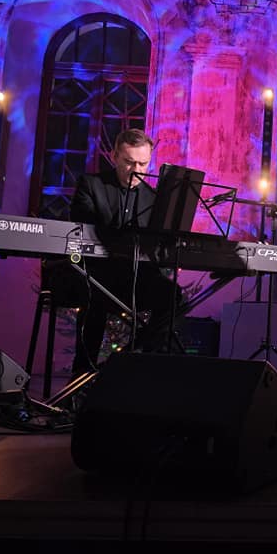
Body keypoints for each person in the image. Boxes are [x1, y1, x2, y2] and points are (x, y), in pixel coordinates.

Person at [65, 128, 180, 375]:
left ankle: (128, 360)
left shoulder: (153, 198)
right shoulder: (91, 185)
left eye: (143, 164)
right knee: (93, 295)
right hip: (97, 275)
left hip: (134, 280)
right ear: (114, 156)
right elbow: (84, 226)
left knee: (172, 295)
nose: (136, 170)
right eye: (129, 162)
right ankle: (81, 374)